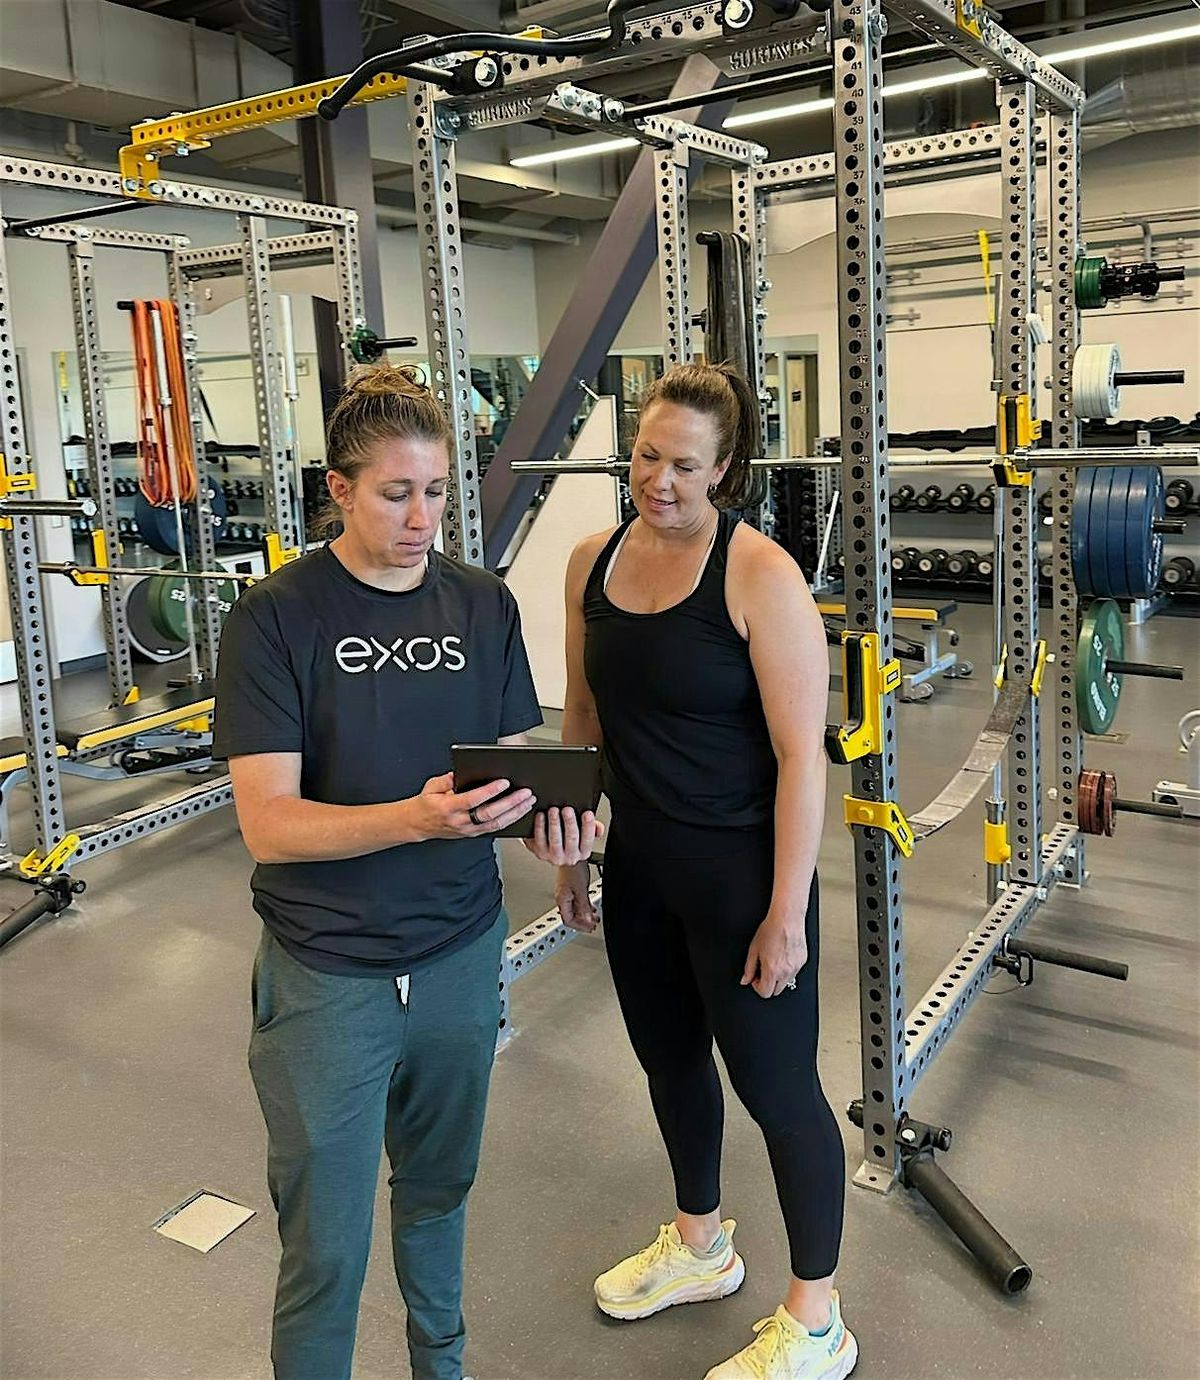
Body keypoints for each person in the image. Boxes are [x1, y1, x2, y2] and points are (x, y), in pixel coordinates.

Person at [212, 363, 597, 1380]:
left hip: (459, 958)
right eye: (395, 494)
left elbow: (509, 763)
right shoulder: (276, 617)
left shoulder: (481, 604)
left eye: (435, 492)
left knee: (438, 1195)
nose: (423, 519)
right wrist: (417, 820)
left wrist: (547, 826)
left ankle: (443, 1367)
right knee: (326, 1245)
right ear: (339, 490)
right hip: (326, 975)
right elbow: (269, 825)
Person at [557, 362, 855, 1380]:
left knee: (778, 1092)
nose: (661, 480)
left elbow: (801, 758)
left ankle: (817, 1320)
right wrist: (573, 846)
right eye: (647, 456)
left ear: (724, 469)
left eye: (686, 465)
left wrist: (788, 913)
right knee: (670, 1062)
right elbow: (583, 717)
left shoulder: (759, 574)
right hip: (640, 867)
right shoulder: (591, 563)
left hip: (741, 877)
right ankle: (700, 1247)